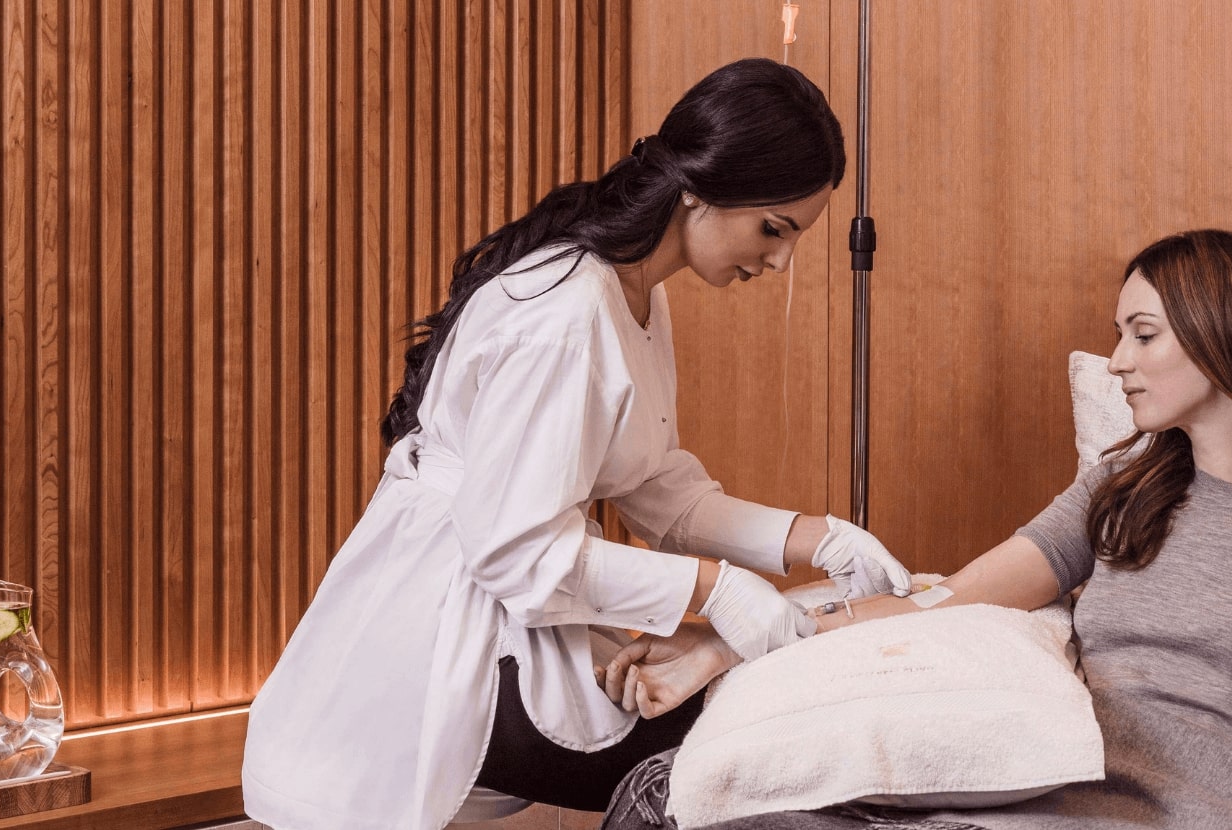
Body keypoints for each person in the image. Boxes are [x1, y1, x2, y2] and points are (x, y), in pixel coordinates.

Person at [241, 58, 912, 830]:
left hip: (503, 604)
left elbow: (653, 484)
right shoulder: (568, 314)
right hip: (449, 635)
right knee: (754, 729)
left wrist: (815, 538)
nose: (780, 261)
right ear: (701, 189)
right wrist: (716, 592)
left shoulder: (633, 292)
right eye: (774, 229)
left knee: (760, 698)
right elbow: (515, 552)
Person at [601, 229, 1232, 829]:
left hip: (1187, 795)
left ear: (1226, 334)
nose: (1117, 361)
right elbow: (947, 601)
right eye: (1118, 335)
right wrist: (736, 641)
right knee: (672, 799)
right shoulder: (1122, 485)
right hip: (1044, 758)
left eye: (1143, 335)